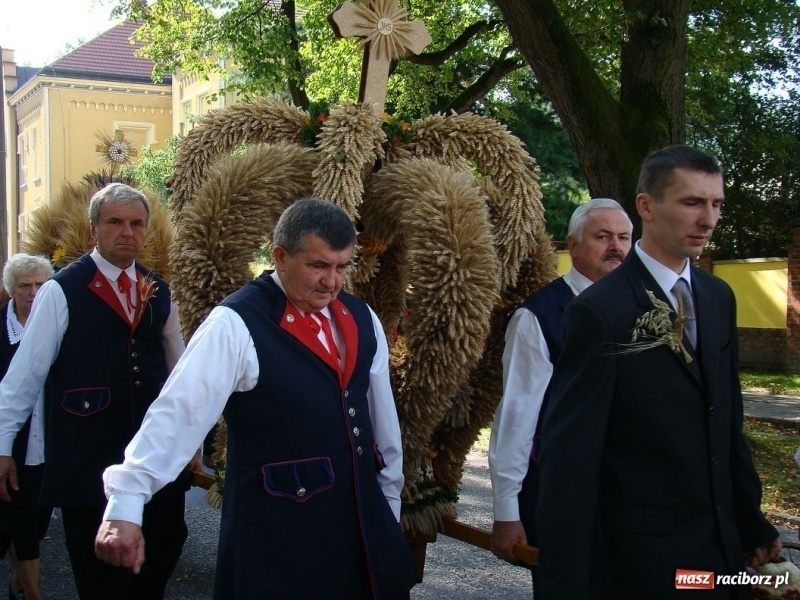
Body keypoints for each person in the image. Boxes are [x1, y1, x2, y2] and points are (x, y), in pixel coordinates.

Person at [95, 198, 420, 599]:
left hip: (360, 535)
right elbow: (177, 412)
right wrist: (126, 500)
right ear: (280, 256)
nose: (332, 282)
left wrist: (387, 504)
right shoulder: (235, 323)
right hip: (278, 544)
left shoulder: (361, 316)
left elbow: (380, 423)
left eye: (342, 266)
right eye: (318, 266)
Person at [535, 145, 781, 598]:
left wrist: (751, 521)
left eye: (716, 204)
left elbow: (726, 418)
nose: (707, 219)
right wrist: (563, 582)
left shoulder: (717, 297)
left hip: (720, 553)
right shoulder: (599, 312)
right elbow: (571, 458)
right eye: (691, 202)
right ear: (646, 206)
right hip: (645, 561)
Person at [0, 183, 189, 600]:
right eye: (115, 222)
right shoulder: (60, 290)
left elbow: (179, 374)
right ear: (93, 230)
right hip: (85, 460)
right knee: (98, 576)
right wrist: (2, 446)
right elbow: (23, 377)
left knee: (164, 546)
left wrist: (190, 439)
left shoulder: (159, 290)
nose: (128, 232)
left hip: (149, 457)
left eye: (136, 224)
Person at [488, 199, 632, 582]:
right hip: (564, 499)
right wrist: (507, 509)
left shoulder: (645, 311)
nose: (615, 246)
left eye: (623, 237)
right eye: (602, 237)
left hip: (632, 499)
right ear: (573, 246)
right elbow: (518, 417)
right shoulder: (540, 317)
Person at [0, 254, 53, 600]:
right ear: (11, 290)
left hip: (46, 443)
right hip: (9, 444)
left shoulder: (55, 326)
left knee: (38, 521)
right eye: (25, 285)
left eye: (39, 285)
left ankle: (19, 582)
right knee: (19, 520)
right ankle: (33, 595)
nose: (33, 292)